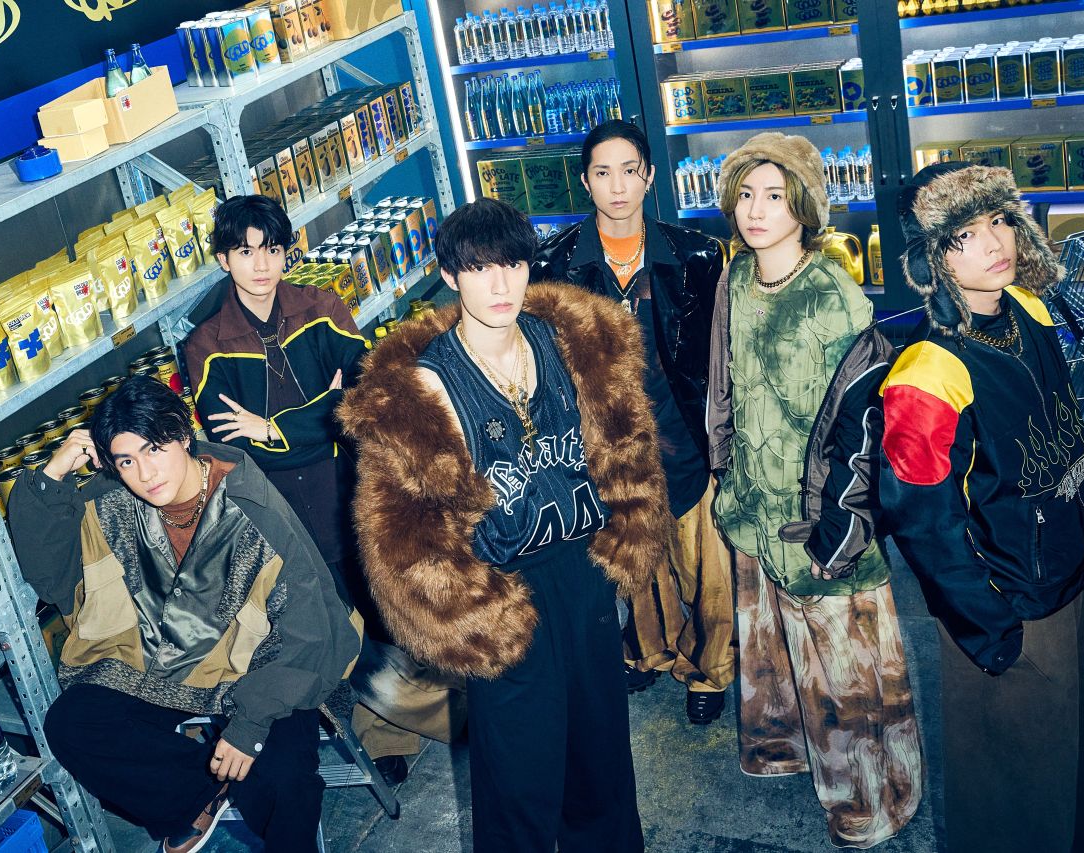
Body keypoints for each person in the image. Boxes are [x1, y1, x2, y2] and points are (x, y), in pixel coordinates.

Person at [338, 198, 669, 852]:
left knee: (602, 764)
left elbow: (628, 446)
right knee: (518, 783)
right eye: (479, 268)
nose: (500, 284)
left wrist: (623, 539)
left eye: (513, 264)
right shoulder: (425, 388)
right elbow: (398, 536)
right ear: (450, 275)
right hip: (502, 597)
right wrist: (472, 616)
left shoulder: (567, 343)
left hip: (583, 573)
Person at [879, 161, 1084, 853]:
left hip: (1079, 571)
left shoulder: (1027, 307)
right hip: (1012, 604)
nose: (994, 242)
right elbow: (923, 525)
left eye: (999, 220)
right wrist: (989, 627)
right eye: (964, 234)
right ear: (931, 258)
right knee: (1016, 791)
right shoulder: (928, 373)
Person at [8, 376, 359, 853]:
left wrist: (249, 727)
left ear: (183, 435)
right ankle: (198, 793)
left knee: (284, 780)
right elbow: (51, 576)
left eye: (154, 449)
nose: (145, 473)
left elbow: (310, 631)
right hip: (157, 660)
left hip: (256, 666)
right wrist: (53, 476)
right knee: (74, 724)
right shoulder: (111, 500)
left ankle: (222, 778)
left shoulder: (254, 509)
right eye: (126, 460)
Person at [183, 195, 462, 785]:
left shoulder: (322, 307)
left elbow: (368, 397)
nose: (261, 264)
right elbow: (235, 446)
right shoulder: (207, 343)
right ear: (223, 260)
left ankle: (437, 713)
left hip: (349, 490)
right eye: (244, 252)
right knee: (338, 628)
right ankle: (409, 729)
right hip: (277, 512)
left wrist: (274, 427)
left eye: (272, 249)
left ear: (287, 252)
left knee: (390, 607)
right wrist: (323, 413)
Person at [707, 133, 923, 848]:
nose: (755, 210)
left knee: (843, 662)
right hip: (753, 501)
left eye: (773, 195)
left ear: (802, 207)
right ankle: (783, 744)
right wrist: (725, 469)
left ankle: (874, 792)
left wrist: (841, 523)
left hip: (817, 511)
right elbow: (722, 383)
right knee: (769, 643)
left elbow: (863, 420)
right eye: (746, 194)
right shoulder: (735, 278)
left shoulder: (832, 294)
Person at [531, 120, 732, 724]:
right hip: (608, 440)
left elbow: (718, 352)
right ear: (585, 182)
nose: (617, 187)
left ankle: (708, 667)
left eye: (628, 171)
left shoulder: (696, 255)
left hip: (682, 427)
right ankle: (648, 649)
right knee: (635, 558)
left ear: (648, 177)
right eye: (602, 173)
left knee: (705, 564)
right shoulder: (555, 263)